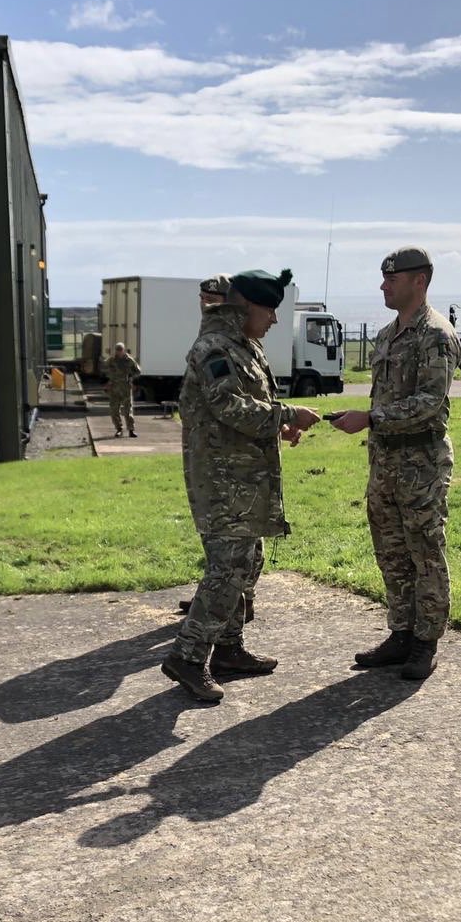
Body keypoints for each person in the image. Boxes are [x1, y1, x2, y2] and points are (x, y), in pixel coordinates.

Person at [161, 268, 320, 702]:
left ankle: (228, 649)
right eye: (269, 310)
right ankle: (187, 657)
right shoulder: (215, 347)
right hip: (222, 481)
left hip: (245, 479)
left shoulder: (246, 346)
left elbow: (255, 406)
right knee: (227, 569)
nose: (272, 320)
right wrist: (287, 416)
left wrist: (277, 427)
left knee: (248, 561)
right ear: (245, 306)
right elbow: (228, 405)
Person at [330, 247, 461, 680]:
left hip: (421, 463)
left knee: (425, 551)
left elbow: (429, 403)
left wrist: (372, 418)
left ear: (419, 281)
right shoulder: (387, 336)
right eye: (384, 278)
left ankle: (426, 641)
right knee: (391, 550)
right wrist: (371, 421)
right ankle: (401, 632)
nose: (384, 285)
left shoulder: (437, 336)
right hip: (385, 460)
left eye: (393, 279)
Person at [177, 274, 259, 628]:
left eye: (216, 297)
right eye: (204, 296)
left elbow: (238, 402)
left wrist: (278, 419)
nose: (208, 302)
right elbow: (224, 403)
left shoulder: (228, 341)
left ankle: (239, 607)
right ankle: (220, 630)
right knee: (227, 551)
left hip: (232, 462)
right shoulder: (212, 341)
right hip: (214, 461)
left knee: (238, 550)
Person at [101, 341, 140, 437]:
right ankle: (119, 429)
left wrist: (131, 377)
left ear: (124, 350)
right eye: (117, 350)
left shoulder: (129, 360)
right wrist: (109, 378)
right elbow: (103, 369)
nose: (119, 352)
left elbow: (138, 371)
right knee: (114, 410)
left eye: (120, 350)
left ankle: (131, 430)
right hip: (114, 388)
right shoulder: (111, 360)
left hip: (126, 388)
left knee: (128, 410)